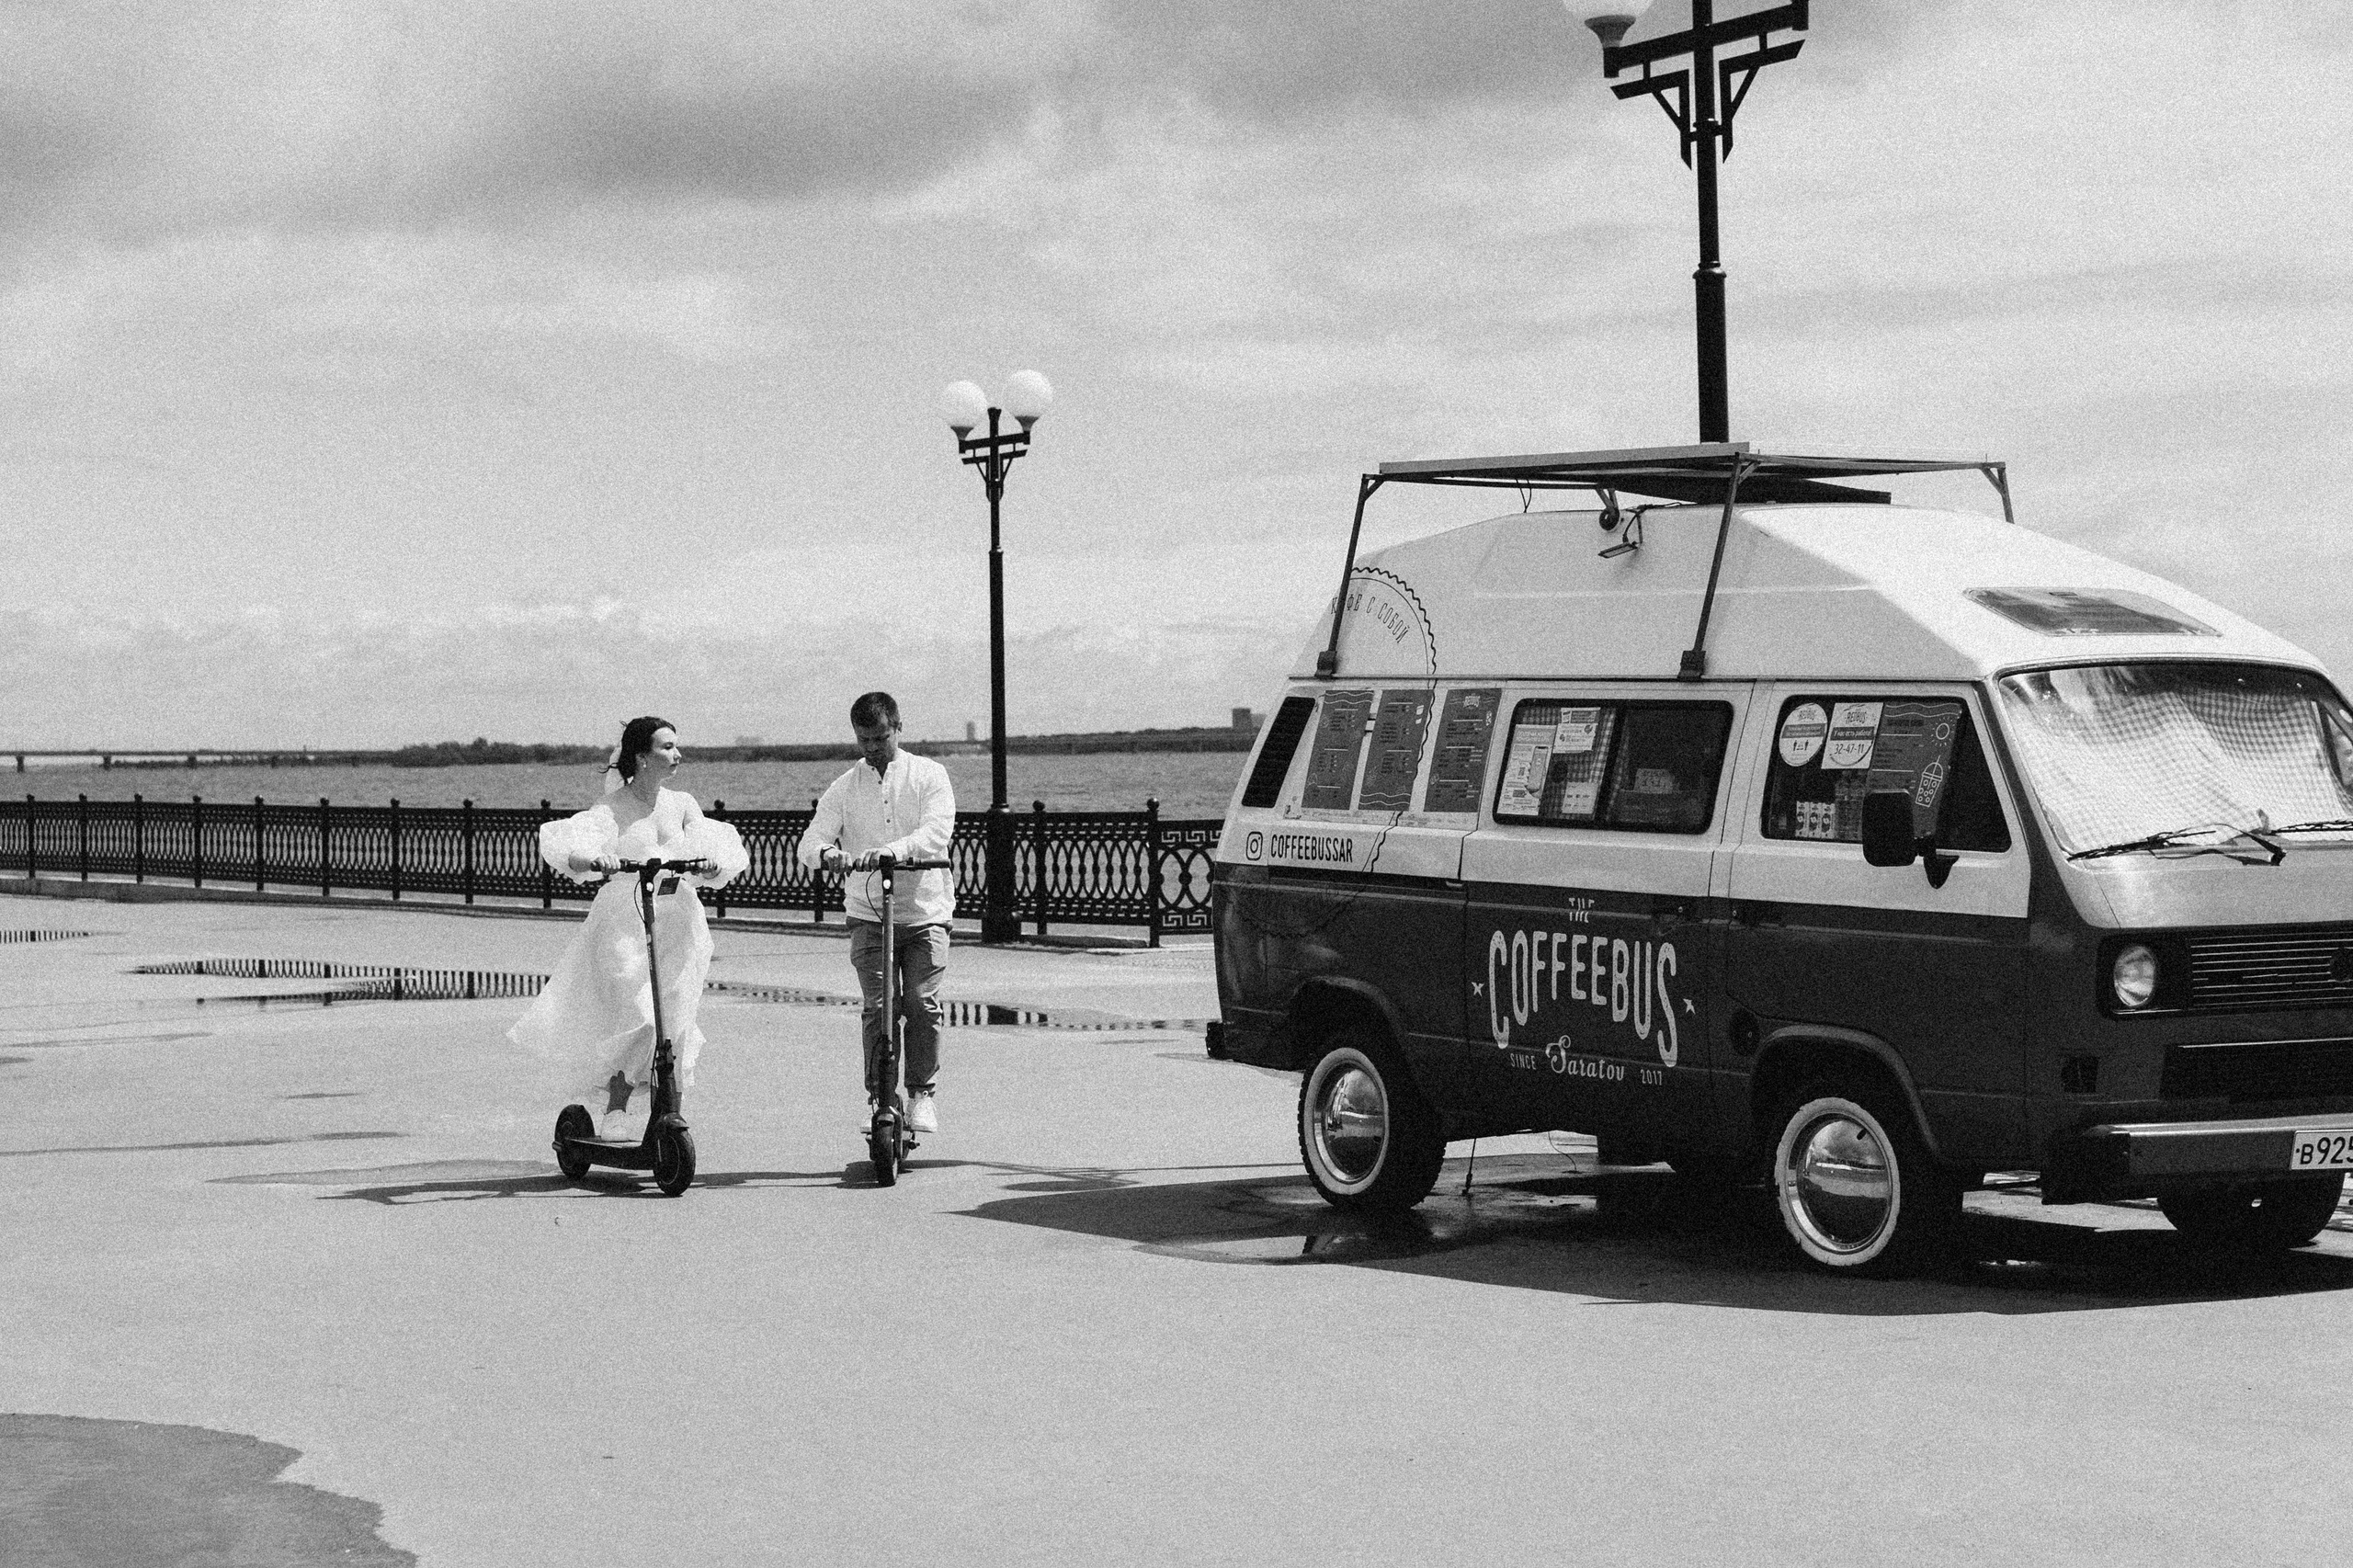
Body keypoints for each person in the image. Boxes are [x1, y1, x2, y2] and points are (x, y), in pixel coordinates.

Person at [507, 715, 748, 1140]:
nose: (677, 755)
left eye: (676, 746)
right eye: (667, 747)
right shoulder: (611, 808)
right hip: (625, 919)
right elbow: (573, 848)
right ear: (641, 756)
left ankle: (670, 1113)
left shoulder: (683, 803)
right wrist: (593, 859)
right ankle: (616, 1109)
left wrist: (711, 864)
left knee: (674, 1018)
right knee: (638, 1015)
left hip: (677, 918)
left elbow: (716, 847)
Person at [796, 691, 956, 1135]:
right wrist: (828, 855)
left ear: (898, 728)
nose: (872, 748)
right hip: (868, 912)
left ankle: (922, 1093)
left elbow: (937, 831)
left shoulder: (930, 775)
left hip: (925, 909)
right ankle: (880, 1096)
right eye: (864, 739)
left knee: (921, 1003)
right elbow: (809, 844)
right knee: (879, 1007)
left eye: (881, 738)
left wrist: (891, 851)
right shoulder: (845, 786)